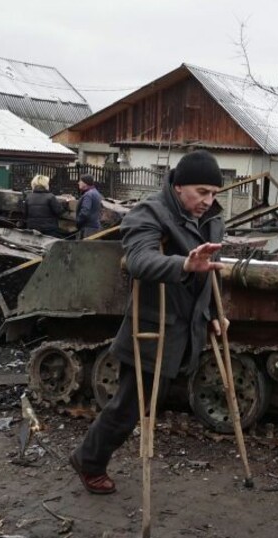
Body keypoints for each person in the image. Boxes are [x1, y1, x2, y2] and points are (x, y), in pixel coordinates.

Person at [69, 150, 226, 495]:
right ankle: (89, 460)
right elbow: (139, 260)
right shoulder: (150, 213)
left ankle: (89, 457)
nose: (208, 200)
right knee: (129, 406)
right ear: (179, 185)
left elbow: (211, 271)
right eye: (202, 192)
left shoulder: (212, 218)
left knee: (142, 404)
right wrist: (184, 265)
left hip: (188, 326)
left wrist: (215, 313)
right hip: (154, 328)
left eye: (214, 193)